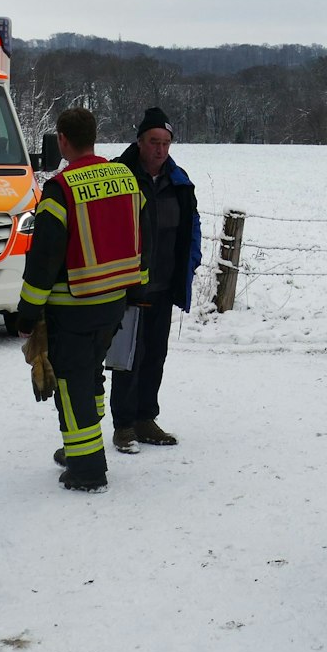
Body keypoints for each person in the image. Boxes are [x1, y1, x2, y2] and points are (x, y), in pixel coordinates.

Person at [17, 107, 146, 492]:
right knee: (90, 375)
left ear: (62, 140)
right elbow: (143, 234)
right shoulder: (124, 178)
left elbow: (44, 259)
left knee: (72, 385)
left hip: (73, 307)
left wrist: (27, 312)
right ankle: (80, 446)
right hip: (113, 303)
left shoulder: (60, 188)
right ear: (94, 135)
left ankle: (87, 469)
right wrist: (137, 287)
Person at [108, 107, 202, 453]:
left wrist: (190, 264)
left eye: (165, 142)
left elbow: (192, 227)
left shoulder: (180, 182)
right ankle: (124, 426)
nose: (160, 149)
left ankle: (146, 418)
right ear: (139, 141)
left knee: (154, 356)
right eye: (153, 142)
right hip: (128, 287)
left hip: (164, 286)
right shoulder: (119, 177)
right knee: (127, 357)